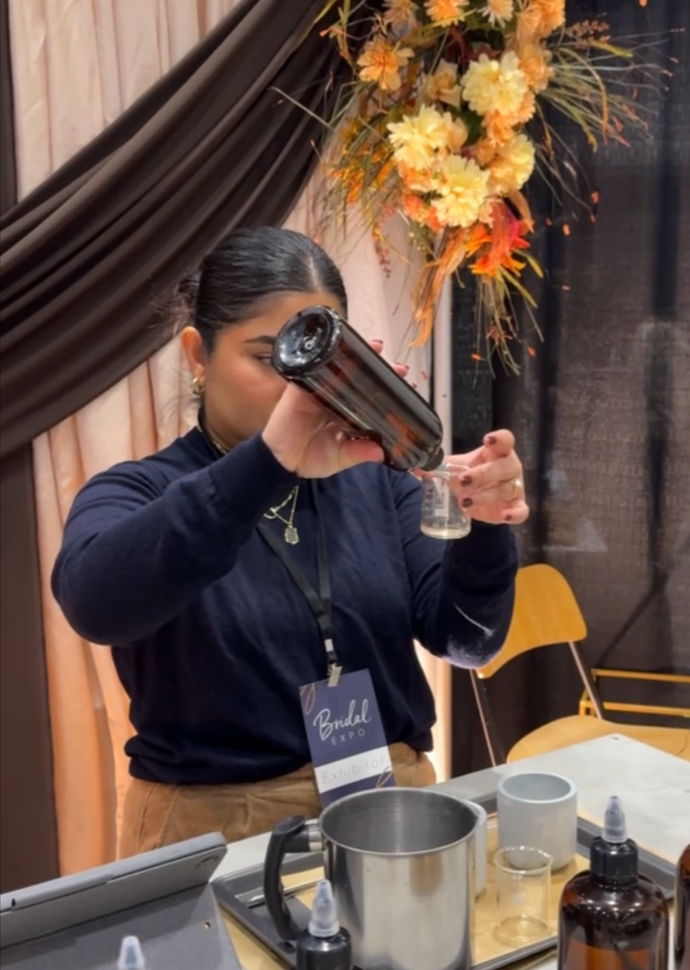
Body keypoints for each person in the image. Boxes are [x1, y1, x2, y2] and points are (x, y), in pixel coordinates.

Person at [53, 228, 528, 856]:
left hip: (386, 808)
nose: (300, 390)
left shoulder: (376, 483)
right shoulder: (140, 491)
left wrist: (486, 525)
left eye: (315, 363)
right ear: (198, 354)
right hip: (214, 834)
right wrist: (271, 460)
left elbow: (467, 642)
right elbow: (97, 604)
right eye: (266, 358)